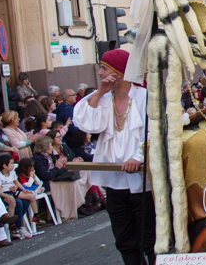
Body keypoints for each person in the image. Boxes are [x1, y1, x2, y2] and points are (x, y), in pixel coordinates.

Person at [73, 49, 155, 265]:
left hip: (143, 181)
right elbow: (87, 124)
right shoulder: (102, 99)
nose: (99, 73)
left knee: (151, 239)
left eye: (104, 68)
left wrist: (139, 157)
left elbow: (154, 131)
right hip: (114, 181)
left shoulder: (144, 97)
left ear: (118, 71)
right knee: (125, 240)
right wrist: (99, 92)